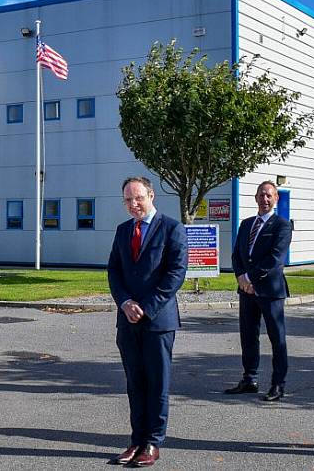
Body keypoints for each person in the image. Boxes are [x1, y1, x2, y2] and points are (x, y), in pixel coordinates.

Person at [106, 176, 187, 468]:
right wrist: (125, 303)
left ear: (151, 195)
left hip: (158, 322)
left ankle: (153, 443)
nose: (133, 204)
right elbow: (114, 271)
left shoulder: (172, 229)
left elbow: (175, 275)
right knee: (134, 384)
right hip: (127, 322)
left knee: (157, 385)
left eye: (138, 198)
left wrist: (146, 307)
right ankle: (136, 440)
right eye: (128, 200)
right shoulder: (123, 230)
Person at [225, 181, 293, 401]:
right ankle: (249, 378)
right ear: (255, 197)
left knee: (277, 339)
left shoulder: (282, 225)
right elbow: (237, 254)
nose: (265, 199)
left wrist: (250, 277)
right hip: (246, 291)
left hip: (270, 291)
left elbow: (275, 258)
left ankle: (278, 384)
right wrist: (240, 277)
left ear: (276, 199)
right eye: (261, 195)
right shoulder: (246, 224)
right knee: (248, 336)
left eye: (269, 196)